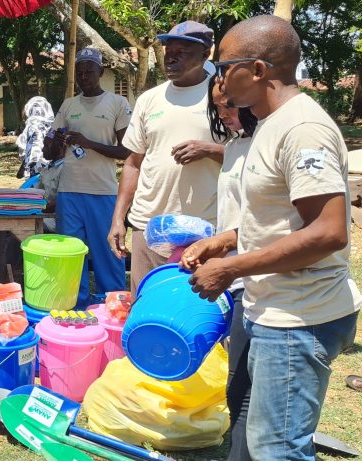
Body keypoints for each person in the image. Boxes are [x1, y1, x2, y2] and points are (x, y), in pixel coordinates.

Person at [183, 15, 361, 460]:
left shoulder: (302, 129)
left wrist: (230, 268)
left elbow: (328, 232)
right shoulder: (270, 125)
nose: (219, 78)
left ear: (258, 70)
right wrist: (225, 241)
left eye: (225, 67)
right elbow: (282, 219)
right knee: (262, 438)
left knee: (277, 449)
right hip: (275, 306)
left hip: (299, 316)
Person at [109, 20, 224, 293]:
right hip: (148, 226)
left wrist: (210, 149)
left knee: (193, 306)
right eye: (168, 51)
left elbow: (247, 156)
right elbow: (133, 163)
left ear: (205, 53)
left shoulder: (222, 97)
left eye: (181, 52)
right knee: (145, 304)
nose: (170, 58)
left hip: (203, 229)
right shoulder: (149, 99)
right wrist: (118, 219)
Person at [43, 48, 132, 308]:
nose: (83, 76)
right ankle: (75, 304)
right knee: (71, 253)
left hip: (103, 191)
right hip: (69, 192)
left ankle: (112, 306)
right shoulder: (68, 105)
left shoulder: (117, 103)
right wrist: (57, 142)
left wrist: (88, 143)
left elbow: (127, 151)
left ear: (100, 72)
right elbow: (49, 154)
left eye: (89, 71)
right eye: (79, 72)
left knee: (107, 252)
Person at [204, 74, 257, 461]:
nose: (224, 113)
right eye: (217, 106)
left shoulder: (269, 143)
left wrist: (222, 246)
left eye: (231, 104)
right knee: (237, 383)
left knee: (251, 387)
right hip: (238, 278)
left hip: (264, 279)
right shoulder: (235, 145)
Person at [16, 96, 55, 178]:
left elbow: (32, 146)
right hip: (52, 166)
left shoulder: (33, 124)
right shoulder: (53, 125)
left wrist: (23, 168)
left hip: (36, 166)